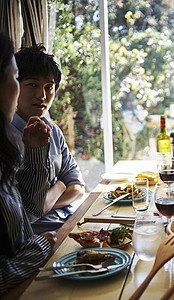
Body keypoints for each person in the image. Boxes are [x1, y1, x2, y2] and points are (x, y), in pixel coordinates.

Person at [0, 32, 56, 295]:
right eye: (16, 78)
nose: (41, 96)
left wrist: (35, 153)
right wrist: (41, 246)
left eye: (49, 87)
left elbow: (26, 211)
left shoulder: (45, 128)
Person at [10, 45, 85, 234]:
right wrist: (59, 186)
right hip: (35, 239)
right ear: (13, 86)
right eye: (32, 85)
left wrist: (47, 202)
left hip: (67, 224)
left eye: (49, 87)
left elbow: (78, 187)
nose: (42, 95)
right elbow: (25, 215)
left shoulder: (53, 131)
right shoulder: (6, 138)